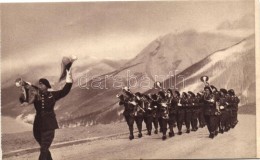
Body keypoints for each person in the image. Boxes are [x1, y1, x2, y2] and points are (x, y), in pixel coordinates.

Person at [32, 69, 73, 160]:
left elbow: (64, 91)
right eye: (39, 84)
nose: (40, 86)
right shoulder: (35, 96)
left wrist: (69, 79)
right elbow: (24, 99)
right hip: (37, 126)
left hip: (49, 125)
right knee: (44, 149)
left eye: (42, 84)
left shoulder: (53, 95)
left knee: (44, 149)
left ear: (46, 86)